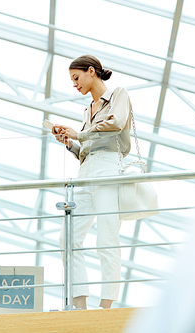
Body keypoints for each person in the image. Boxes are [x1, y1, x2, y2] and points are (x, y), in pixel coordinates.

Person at [52, 55, 132, 309]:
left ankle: (106, 306)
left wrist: (81, 133)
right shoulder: (88, 109)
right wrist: (71, 142)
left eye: (76, 78)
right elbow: (86, 149)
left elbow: (117, 123)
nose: (74, 84)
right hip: (86, 171)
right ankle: (80, 306)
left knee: (107, 238)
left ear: (91, 71)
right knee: (68, 239)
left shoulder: (118, 94)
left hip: (109, 167)